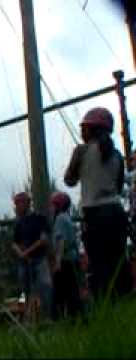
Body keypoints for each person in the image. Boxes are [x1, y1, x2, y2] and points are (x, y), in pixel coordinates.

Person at [64, 107, 132, 300]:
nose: (81, 132)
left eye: (84, 128)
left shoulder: (81, 151)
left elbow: (69, 180)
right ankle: (123, 303)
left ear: (92, 129)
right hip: (116, 213)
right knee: (119, 261)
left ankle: (104, 307)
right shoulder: (118, 156)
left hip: (94, 216)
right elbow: (119, 188)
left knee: (99, 265)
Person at [12, 192, 53, 321]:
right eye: (16, 204)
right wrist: (21, 253)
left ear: (27, 203)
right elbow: (14, 242)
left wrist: (27, 252)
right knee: (23, 291)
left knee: (45, 286)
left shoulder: (39, 218)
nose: (16, 207)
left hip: (39, 260)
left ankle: (47, 316)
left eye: (19, 203)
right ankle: (23, 317)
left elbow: (44, 239)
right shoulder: (19, 222)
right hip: (23, 263)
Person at [49, 191, 82, 320]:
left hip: (65, 260)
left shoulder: (60, 219)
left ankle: (58, 320)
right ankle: (76, 317)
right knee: (72, 290)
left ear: (58, 205)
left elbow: (61, 241)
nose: (50, 208)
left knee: (59, 293)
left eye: (52, 205)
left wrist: (57, 263)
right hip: (72, 259)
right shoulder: (67, 217)